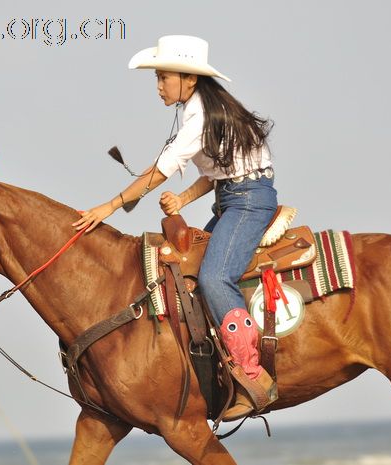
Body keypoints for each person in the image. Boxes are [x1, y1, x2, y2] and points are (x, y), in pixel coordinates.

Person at [72, 35, 278, 420]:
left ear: (189, 79)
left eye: (163, 77)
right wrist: (182, 201)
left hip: (247, 202)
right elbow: (220, 173)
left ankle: (253, 376)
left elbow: (155, 174)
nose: (159, 87)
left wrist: (110, 206)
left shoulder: (198, 118)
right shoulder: (205, 111)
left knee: (215, 278)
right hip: (237, 197)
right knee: (192, 271)